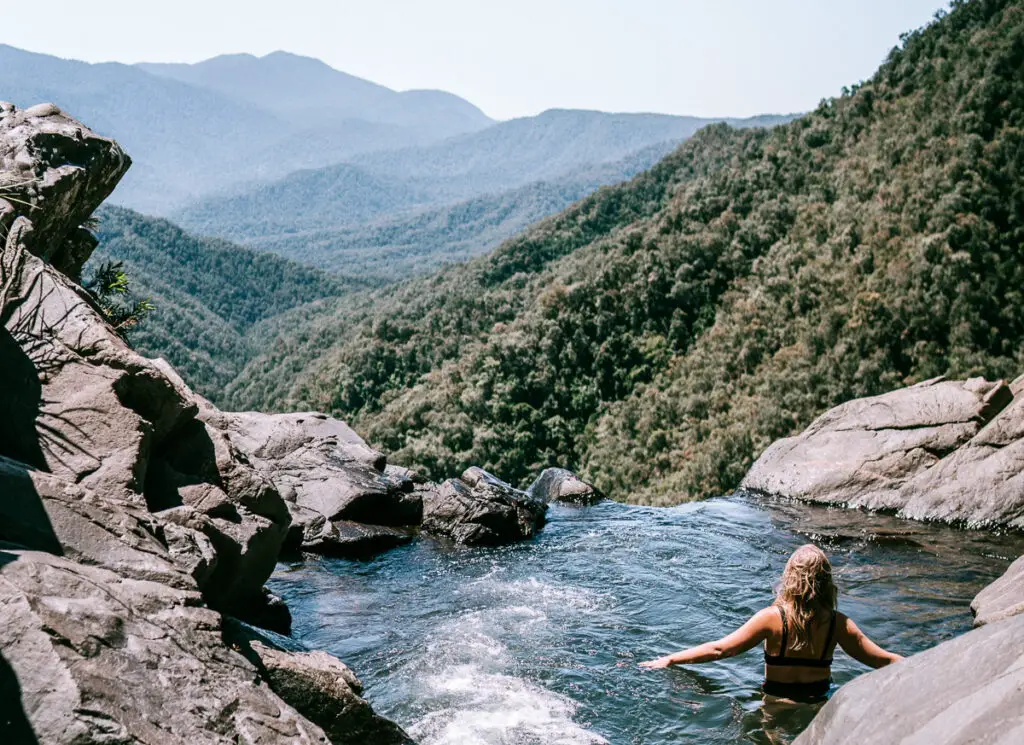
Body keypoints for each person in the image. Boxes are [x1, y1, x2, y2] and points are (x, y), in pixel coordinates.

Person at [639, 544, 903, 702]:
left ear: (790, 578)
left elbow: (721, 650)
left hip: (776, 706)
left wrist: (671, 659)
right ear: (826, 582)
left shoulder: (772, 619)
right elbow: (884, 661)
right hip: (819, 704)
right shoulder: (838, 625)